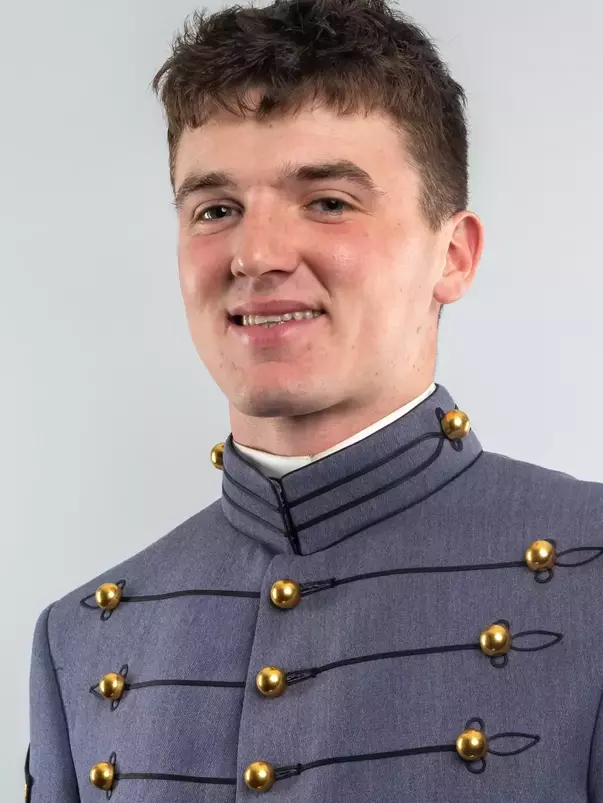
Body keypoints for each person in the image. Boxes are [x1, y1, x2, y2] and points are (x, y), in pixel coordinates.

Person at [25, 0, 603, 800]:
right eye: (215, 209)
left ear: (454, 254)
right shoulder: (82, 636)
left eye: (328, 200)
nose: (255, 254)